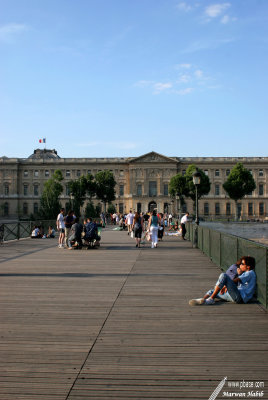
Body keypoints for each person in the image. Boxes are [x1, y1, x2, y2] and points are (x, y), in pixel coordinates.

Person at [189, 256, 256, 306]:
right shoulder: (246, 273)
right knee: (212, 291)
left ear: (248, 267)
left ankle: (211, 299)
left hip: (240, 297)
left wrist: (225, 287)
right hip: (236, 296)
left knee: (224, 275)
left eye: (242, 264)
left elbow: (236, 280)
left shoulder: (250, 273)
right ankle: (204, 300)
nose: (240, 265)